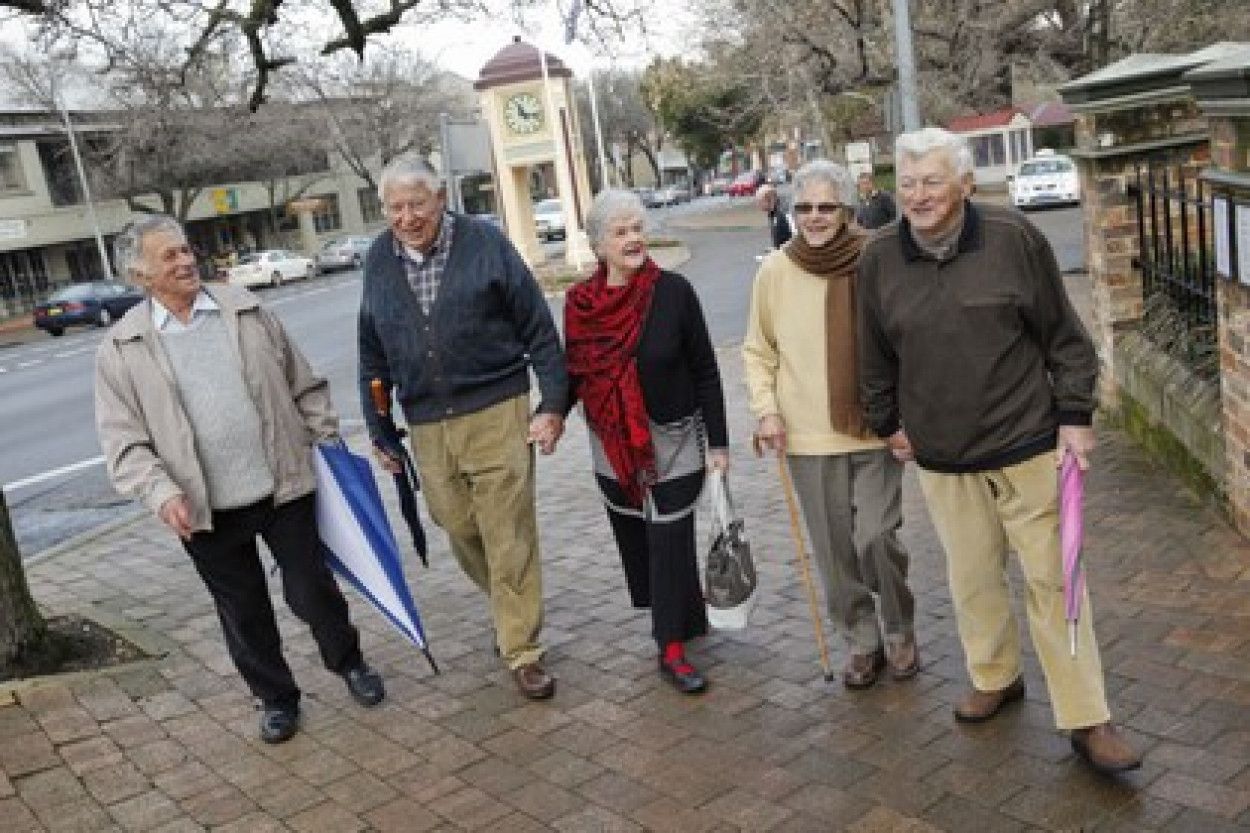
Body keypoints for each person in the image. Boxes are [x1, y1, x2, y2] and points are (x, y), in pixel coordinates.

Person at [856, 127, 1141, 774]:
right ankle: (995, 674)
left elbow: (1066, 336)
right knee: (972, 576)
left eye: (932, 181)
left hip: (1026, 441)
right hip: (943, 452)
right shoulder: (879, 259)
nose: (919, 195)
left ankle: (1087, 714)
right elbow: (872, 352)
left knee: (1054, 579)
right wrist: (886, 422)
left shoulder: (1013, 239)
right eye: (908, 183)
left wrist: (1075, 414)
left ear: (964, 184)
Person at [94, 215, 384, 745]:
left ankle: (350, 662)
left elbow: (306, 384)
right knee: (243, 611)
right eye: (169, 257)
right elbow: (124, 444)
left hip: (283, 485)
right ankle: (276, 698)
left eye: (186, 250)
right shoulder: (121, 348)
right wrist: (161, 494)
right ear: (140, 275)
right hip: (204, 507)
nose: (185, 262)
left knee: (312, 590)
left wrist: (326, 444)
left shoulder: (245, 309)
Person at [358, 157, 567, 700]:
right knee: (456, 523)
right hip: (427, 421)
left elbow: (539, 330)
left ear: (440, 199)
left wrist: (552, 405)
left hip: (498, 406)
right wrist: (380, 428)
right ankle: (508, 601)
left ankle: (522, 648)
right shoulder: (379, 259)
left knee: (506, 529)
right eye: (395, 208)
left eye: (416, 203)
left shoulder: (484, 244)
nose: (406, 217)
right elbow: (371, 352)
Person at [743, 160, 917, 690]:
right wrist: (766, 410)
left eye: (826, 207)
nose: (814, 218)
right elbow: (758, 350)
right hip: (807, 436)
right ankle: (862, 640)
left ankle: (900, 627)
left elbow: (906, 339)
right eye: (804, 208)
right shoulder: (774, 270)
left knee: (876, 537)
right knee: (836, 551)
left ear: (845, 211)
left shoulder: (877, 259)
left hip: (874, 428)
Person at [564, 189, 729, 694]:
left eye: (638, 228)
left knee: (669, 536)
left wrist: (719, 444)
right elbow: (573, 372)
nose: (634, 238)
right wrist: (550, 416)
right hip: (611, 443)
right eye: (621, 231)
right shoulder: (580, 304)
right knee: (640, 538)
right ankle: (684, 613)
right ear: (598, 245)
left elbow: (705, 369)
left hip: (674, 439)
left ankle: (671, 648)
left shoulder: (674, 292)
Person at [755, 183, 793, 248]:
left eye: (760, 202)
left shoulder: (784, 213)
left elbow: (794, 237)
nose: (758, 205)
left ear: (769, 200)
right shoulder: (772, 213)